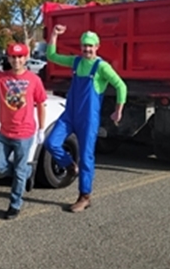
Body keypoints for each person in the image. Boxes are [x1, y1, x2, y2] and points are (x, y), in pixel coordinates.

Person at [44, 25, 127, 212]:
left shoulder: (102, 67)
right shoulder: (76, 62)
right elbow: (52, 56)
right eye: (84, 46)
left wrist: (118, 111)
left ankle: (84, 196)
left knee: (87, 157)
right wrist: (54, 35)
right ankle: (70, 165)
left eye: (90, 46)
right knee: (51, 143)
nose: (87, 50)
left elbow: (121, 86)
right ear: (80, 47)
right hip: (70, 115)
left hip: (88, 118)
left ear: (97, 46)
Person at [0, 42, 47, 220]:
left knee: (19, 171)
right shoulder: (1, 78)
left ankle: (15, 204)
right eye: (13, 57)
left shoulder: (34, 79)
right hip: (5, 132)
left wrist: (42, 129)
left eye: (20, 56)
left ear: (26, 58)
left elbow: (41, 104)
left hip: (25, 133)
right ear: (9, 58)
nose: (17, 60)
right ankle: (26, 173)